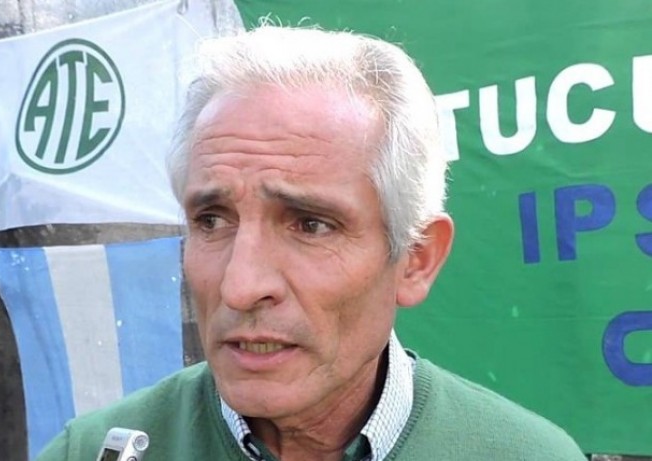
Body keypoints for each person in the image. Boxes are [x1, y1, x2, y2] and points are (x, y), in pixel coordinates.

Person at [36, 26, 586, 461]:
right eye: (212, 220)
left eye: (310, 225)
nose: (240, 286)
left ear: (416, 259)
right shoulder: (93, 450)